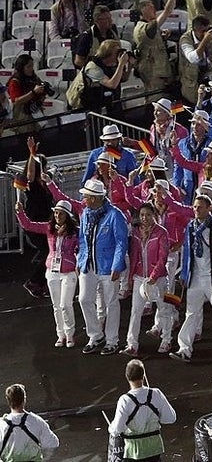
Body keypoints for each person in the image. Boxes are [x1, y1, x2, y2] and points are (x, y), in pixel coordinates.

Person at [170, 193, 212, 362]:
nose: (196, 210)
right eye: (195, 207)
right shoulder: (190, 227)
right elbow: (187, 252)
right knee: (191, 313)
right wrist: (184, 273)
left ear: (209, 208)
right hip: (195, 276)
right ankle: (184, 348)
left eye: (200, 207)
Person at [76, 179, 129, 356]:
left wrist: (117, 265)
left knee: (111, 303)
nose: (84, 199)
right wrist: (80, 260)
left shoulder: (115, 215)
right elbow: (83, 240)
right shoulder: (85, 214)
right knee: (84, 299)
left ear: (94, 198)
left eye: (87, 196)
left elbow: (121, 242)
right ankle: (96, 335)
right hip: (89, 264)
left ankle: (112, 340)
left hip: (107, 266)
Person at [14, 198, 77, 347]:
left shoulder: (75, 232)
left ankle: (70, 334)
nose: (57, 216)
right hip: (52, 272)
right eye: (56, 213)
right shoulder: (49, 228)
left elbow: (82, 249)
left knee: (65, 304)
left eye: (61, 214)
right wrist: (20, 212)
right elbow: (28, 225)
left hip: (68, 273)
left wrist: (78, 262)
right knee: (56, 305)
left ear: (67, 216)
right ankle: (60, 335)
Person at [122, 203, 174, 356]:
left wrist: (153, 276)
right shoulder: (136, 233)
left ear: (154, 216)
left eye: (148, 215)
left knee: (164, 309)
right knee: (135, 311)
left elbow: (162, 257)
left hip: (159, 278)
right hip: (140, 278)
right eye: (142, 215)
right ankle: (132, 344)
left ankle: (166, 339)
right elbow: (134, 256)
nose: (145, 218)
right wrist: (131, 276)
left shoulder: (161, 232)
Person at [108, 359, 177, 462]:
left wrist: (111, 427)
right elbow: (171, 418)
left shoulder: (125, 400)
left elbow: (118, 428)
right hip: (154, 449)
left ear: (127, 377)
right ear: (143, 375)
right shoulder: (156, 393)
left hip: (134, 452)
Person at [0, 383, 59, 461]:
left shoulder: (1, 424)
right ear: (24, 399)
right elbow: (53, 444)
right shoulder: (37, 421)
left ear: (8, 400)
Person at [5, 54, 49, 134]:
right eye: (28, 67)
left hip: (35, 113)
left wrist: (43, 93)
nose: (31, 69)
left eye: (32, 66)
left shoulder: (34, 78)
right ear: (21, 68)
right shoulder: (14, 82)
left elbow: (40, 91)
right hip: (23, 117)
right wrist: (33, 92)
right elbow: (16, 101)